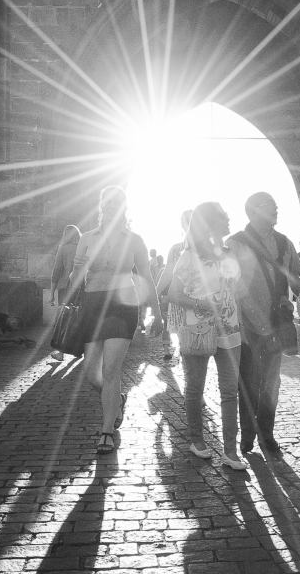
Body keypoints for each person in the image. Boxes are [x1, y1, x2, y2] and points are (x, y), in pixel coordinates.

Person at [70, 186, 160, 453]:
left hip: (122, 306)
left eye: (116, 203)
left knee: (111, 369)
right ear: (101, 207)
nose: (111, 207)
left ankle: (106, 430)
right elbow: (76, 278)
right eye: (107, 203)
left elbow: (146, 277)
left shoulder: (134, 240)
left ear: (123, 208)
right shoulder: (86, 238)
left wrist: (158, 312)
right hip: (93, 304)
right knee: (91, 373)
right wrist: (77, 271)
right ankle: (117, 399)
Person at [227, 192, 300, 454]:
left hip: (277, 321)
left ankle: (267, 435)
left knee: (272, 381)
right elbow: (230, 284)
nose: (275, 209)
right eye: (269, 205)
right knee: (250, 381)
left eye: (276, 205)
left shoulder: (284, 243)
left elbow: (293, 276)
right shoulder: (235, 243)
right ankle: (248, 435)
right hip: (248, 324)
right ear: (253, 211)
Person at [168, 202, 246, 470]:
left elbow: (237, 290)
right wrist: (202, 305)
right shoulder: (188, 256)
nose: (227, 222)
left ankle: (230, 451)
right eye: (223, 218)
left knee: (229, 391)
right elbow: (174, 294)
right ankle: (197, 440)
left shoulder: (229, 253)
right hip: (199, 329)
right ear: (210, 224)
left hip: (230, 328)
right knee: (195, 387)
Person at [156, 210, 193, 360]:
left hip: (193, 299)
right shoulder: (177, 248)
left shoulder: (177, 248)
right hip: (183, 299)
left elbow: (168, 272)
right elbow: (168, 272)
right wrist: (155, 292)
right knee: (187, 339)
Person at [51, 225, 81, 306]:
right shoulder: (83, 247)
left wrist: (52, 294)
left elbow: (56, 271)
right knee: (78, 316)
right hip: (81, 287)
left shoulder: (63, 248)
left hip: (65, 287)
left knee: (64, 315)